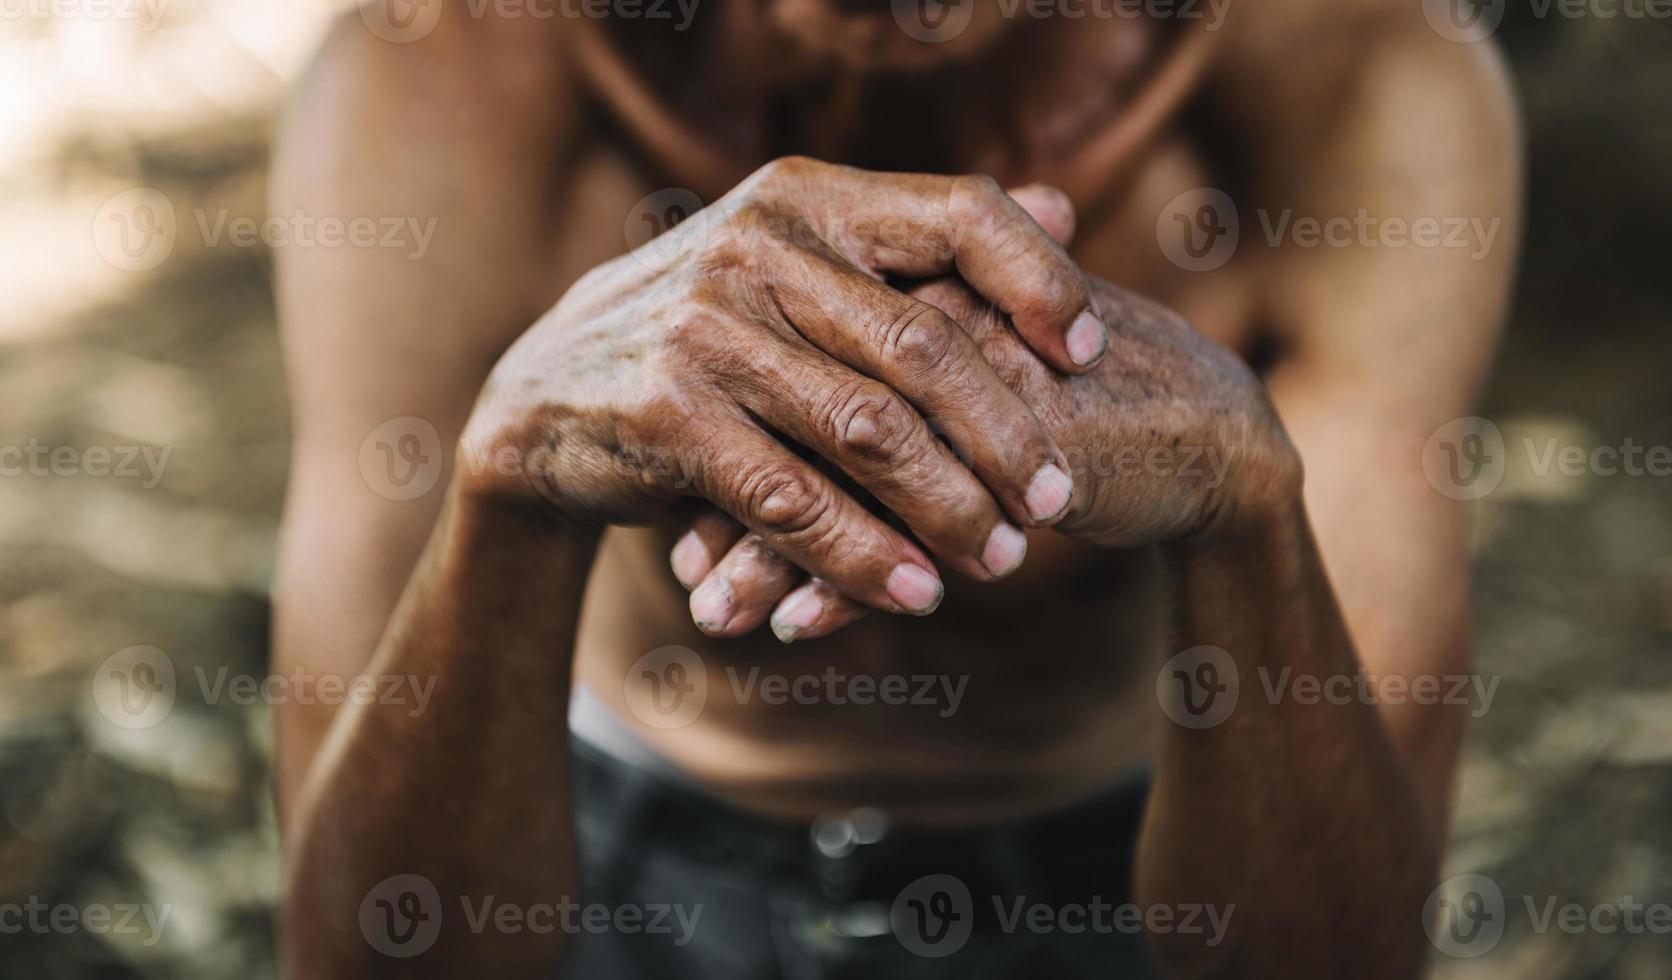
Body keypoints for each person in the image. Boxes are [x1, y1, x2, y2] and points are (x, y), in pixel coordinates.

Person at [270, 2, 1520, 976]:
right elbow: (359, 949)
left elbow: (1349, 949)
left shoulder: (1355, 67)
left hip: (1133, 857)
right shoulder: (452, 71)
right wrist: (513, 487)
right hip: (600, 837)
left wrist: (1240, 502)